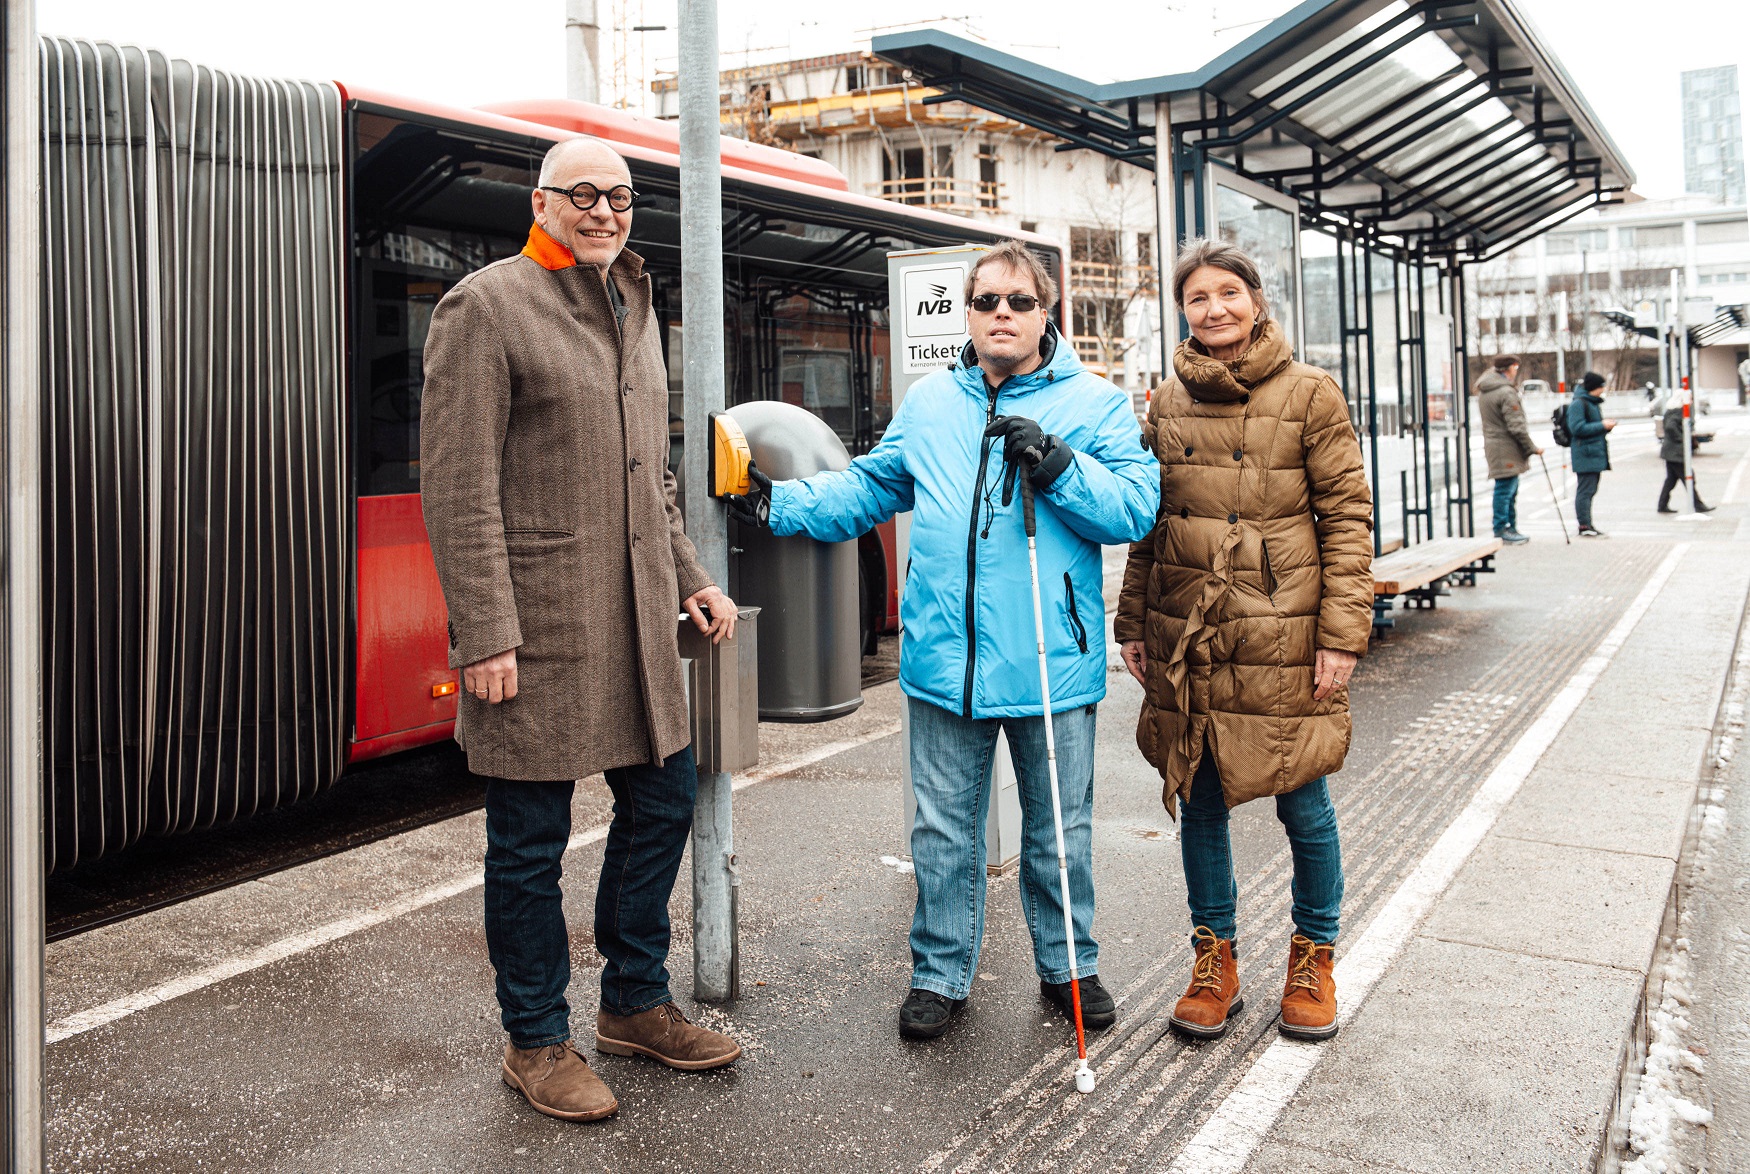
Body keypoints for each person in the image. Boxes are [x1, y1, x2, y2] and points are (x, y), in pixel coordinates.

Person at [727, 240, 1160, 1040]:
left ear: (1046, 312)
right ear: (967, 310)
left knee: (1057, 830)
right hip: (945, 662)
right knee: (941, 831)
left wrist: (1061, 466)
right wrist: (775, 504)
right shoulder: (930, 403)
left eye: (1019, 302)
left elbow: (1134, 508)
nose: (1002, 314)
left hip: (1047, 658)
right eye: (987, 300)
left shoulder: (1094, 402)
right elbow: (870, 486)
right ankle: (939, 973)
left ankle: (1070, 966)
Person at [420, 136, 743, 1124]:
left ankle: (633, 1001)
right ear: (541, 201)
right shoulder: (485, 306)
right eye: (583, 193)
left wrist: (691, 577)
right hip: (540, 628)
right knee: (528, 844)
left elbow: (650, 475)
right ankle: (535, 1040)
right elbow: (459, 484)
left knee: (662, 806)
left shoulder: (633, 305)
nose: (605, 209)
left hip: (639, 622)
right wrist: (483, 632)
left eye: (621, 195)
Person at [1115, 239, 1373, 1043]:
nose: (1214, 308)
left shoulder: (1311, 393)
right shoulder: (1165, 404)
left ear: (1257, 301)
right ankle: (1214, 959)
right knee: (1201, 799)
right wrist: (1132, 622)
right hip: (1191, 633)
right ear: (1183, 311)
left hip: (1285, 631)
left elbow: (1347, 522)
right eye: (1198, 298)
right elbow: (1146, 524)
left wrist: (1341, 636)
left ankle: (1313, 958)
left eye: (1229, 293)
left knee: (1304, 797)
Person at [1476, 354, 1541, 544]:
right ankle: (1503, 528)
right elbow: (1516, 426)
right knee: (1506, 490)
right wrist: (1532, 448)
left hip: (1496, 445)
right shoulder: (1505, 392)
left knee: (1507, 488)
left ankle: (1508, 527)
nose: (1516, 372)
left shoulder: (1487, 389)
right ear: (1509, 368)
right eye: (1515, 368)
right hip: (1505, 447)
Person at [1567, 371, 1617, 538]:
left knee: (1589, 490)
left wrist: (1605, 427)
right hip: (1585, 454)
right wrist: (1602, 426)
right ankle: (1584, 525)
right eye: (1601, 387)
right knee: (1585, 491)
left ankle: (1587, 524)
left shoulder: (1591, 403)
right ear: (1594, 388)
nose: (1603, 390)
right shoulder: (1579, 404)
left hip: (1593, 453)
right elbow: (1577, 428)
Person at [1658, 392, 1714, 514]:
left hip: (1671, 451)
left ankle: (1662, 505)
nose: (1691, 402)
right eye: (1690, 399)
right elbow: (1670, 427)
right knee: (1688, 477)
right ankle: (1698, 505)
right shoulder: (1678, 411)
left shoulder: (1671, 410)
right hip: (1675, 452)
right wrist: (1683, 438)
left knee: (1671, 480)